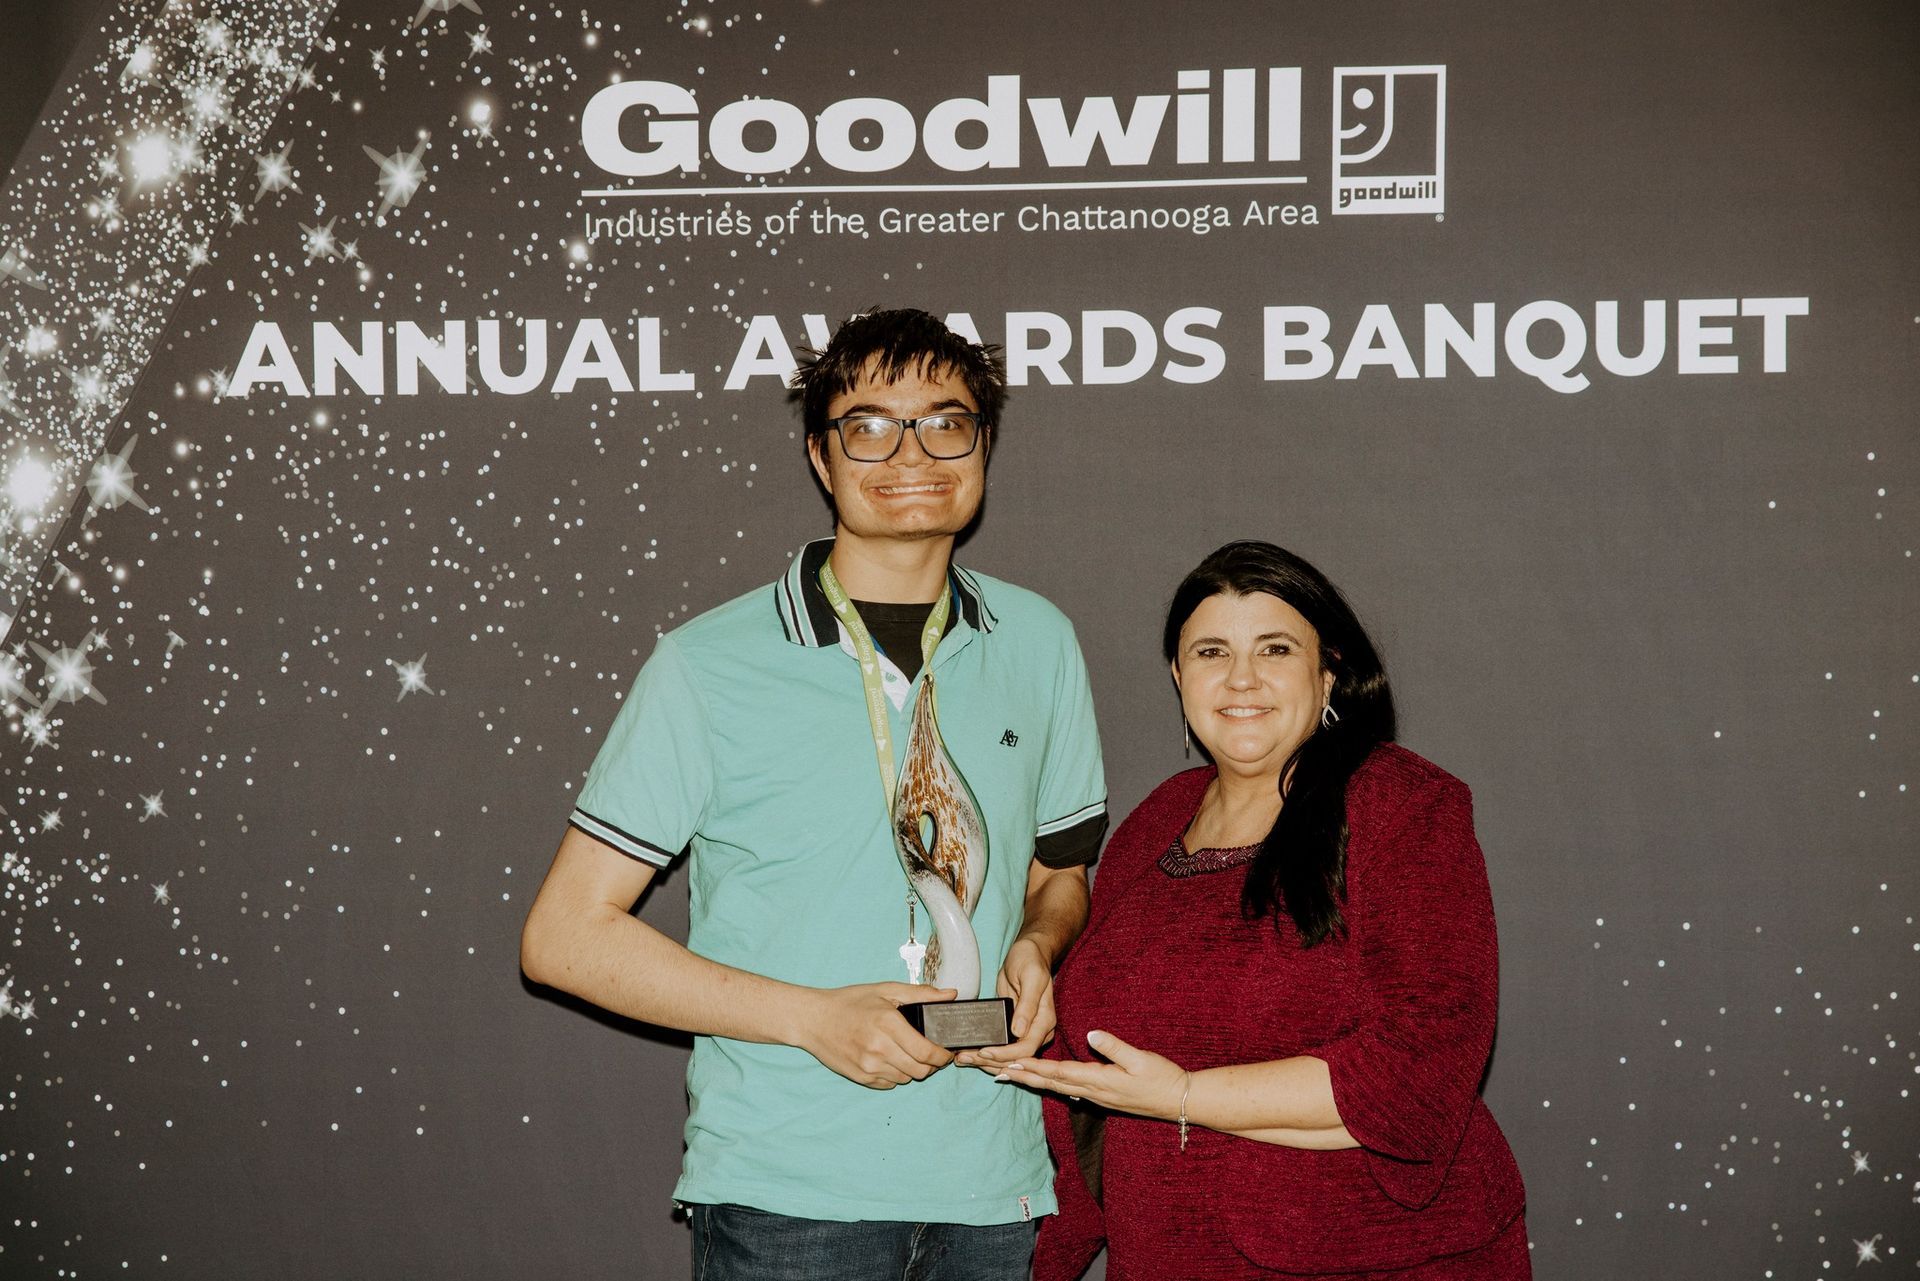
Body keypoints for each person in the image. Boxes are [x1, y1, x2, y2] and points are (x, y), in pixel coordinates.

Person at [519, 309, 1107, 1281]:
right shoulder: (708, 664)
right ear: (820, 457)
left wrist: (1039, 947)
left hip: (990, 1189)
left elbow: (1061, 874)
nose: (911, 452)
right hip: (787, 1195)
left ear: (982, 447)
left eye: (945, 422)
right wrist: (812, 1018)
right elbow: (563, 938)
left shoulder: (1040, 643)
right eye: (869, 426)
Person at [976, 540, 1528, 1279]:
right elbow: (1099, 1073)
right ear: (1179, 675)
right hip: (1164, 1255)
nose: (1242, 678)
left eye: (1275, 649)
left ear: (1328, 670)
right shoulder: (1156, 820)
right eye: (1211, 652)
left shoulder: (1402, 804)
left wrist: (1185, 1096)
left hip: (1371, 1259)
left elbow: (1420, 1076)